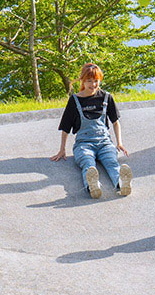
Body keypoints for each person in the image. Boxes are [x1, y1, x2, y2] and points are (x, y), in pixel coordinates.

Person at [50, 63, 132, 198]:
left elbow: (115, 122)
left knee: (112, 162)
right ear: (82, 80)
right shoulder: (75, 100)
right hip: (84, 144)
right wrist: (62, 150)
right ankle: (93, 186)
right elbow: (65, 128)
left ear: (99, 80)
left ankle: (122, 183)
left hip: (104, 142)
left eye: (96, 81)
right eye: (89, 81)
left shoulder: (106, 97)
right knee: (88, 164)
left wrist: (119, 143)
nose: (93, 84)